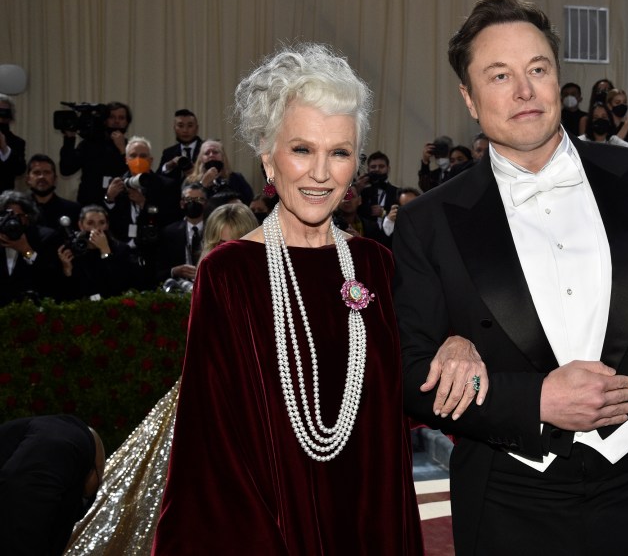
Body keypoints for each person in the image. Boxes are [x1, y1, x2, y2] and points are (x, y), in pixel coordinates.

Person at [393, 0, 628, 555]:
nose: (524, 91)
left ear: (558, 78)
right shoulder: (428, 222)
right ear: (469, 99)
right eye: (499, 75)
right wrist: (537, 401)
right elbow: (408, 378)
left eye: (538, 69)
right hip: (506, 500)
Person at [153, 43, 423, 554]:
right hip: (273, 531)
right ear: (267, 158)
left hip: (374, 523)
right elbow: (210, 449)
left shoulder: (374, 264)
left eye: (340, 152)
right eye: (302, 149)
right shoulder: (230, 272)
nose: (322, 173)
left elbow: (400, 398)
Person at [65, 204, 261, 556]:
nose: (227, 254)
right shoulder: (205, 282)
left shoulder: (268, 288)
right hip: (202, 399)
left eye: (238, 245)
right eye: (219, 246)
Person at [0, 414, 105, 556]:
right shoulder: (65, 438)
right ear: (94, 472)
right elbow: (22, 502)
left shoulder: (57, 435)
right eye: (100, 480)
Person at [58, 102, 131, 207]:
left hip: (119, 206)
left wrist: (123, 150)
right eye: (112, 117)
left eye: (121, 118)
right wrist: (69, 139)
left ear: (127, 122)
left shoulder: (132, 147)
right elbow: (66, 169)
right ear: (105, 120)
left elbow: (134, 176)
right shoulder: (89, 144)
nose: (116, 121)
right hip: (89, 206)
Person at [56, 204, 133, 301]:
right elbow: (66, 291)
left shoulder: (121, 249)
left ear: (107, 225)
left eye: (101, 223)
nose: (96, 228)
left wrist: (105, 251)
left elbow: (120, 285)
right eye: (90, 223)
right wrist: (67, 270)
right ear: (81, 225)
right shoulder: (72, 250)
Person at [0, 190, 61, 306]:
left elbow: (51, 277)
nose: (12, 221)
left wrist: (26, 251)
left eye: (19, 216)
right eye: (7, 215)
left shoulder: (45, 237)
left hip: (31, 310)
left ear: (28, 217)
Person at [182, 139, 253, 204]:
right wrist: (203, 184)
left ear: (223, 157)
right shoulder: (190, 181)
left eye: (215, 152)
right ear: (201, 159)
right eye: (207, 153)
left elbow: (249, 201)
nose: (211, 155)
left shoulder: (236, 178)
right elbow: (188, 205)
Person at [26, 154, 81, 232]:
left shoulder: (73, 210)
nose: (42, 177)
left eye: (47, 172)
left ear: (55, 179)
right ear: (28, 179)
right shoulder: (20, 209)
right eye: (37, 173)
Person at [157, 109, 203, 180]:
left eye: (190, 126)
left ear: (197, 128)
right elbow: (158, 179)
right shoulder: (168, 153)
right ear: (174, 128)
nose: (185, 130)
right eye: (180, 126)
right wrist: (169, 166)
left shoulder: (208, 149)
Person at [0, 93, 27, 191]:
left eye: (5, 112)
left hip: (3, 197)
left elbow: (20, 170)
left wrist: (5, 149)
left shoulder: (17, 142)